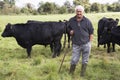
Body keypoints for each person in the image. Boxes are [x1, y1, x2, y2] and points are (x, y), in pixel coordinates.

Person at [68, 5, 94, 77]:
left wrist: (89, 43)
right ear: (75, 12)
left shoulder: (87, 21)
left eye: (80, 11)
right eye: (77, 11)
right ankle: (70, 74)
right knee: (74, 60)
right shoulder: (71, 20)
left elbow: (91, 32)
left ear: (83, 12)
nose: (79, 13)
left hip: (86, 44)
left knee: (85, 60)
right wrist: (70, 31)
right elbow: (68, 29)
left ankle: (82, 75)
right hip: (76, 44)